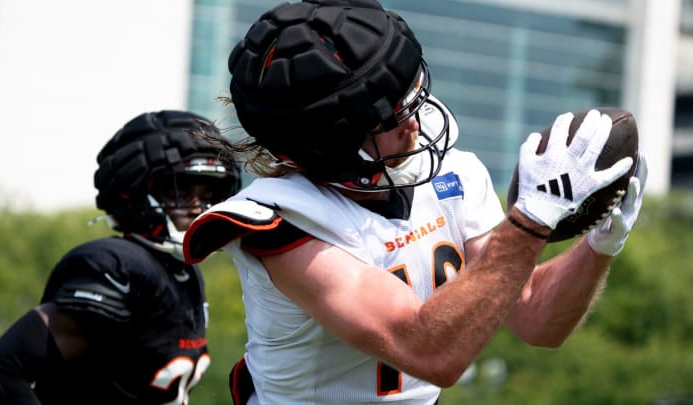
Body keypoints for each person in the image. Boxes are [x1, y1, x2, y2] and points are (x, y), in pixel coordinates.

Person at [183, 1, 647, 404]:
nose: (414, 120)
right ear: (330, 142)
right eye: (390, 113)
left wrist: (601, 243)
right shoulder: (284, 220)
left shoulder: (454, 175)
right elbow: (429, 351)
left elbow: (535, 317)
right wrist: (530, 220)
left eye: (409, 92)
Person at [0, 110, 241, 404]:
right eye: (181, 191)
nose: (197, 207)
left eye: (206, 194)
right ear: (136, 191)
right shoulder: (119, 265)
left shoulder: (185, 272)